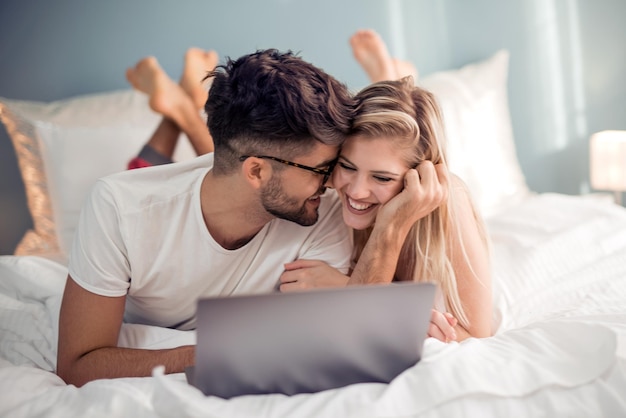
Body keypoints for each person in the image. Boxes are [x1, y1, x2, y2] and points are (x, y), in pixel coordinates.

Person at [56, 49, 357, 387]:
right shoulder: (119, 208)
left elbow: (330, 338)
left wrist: (394, 223)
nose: (335, 182)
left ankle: (181, 110)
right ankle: (180, 111)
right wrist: (207, 353)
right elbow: (77, 364)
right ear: (256, 170)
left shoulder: (322, 208)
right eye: (322, 170)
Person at [278, 31, 493, 342]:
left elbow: (476, 334)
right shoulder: (322, 188)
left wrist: (343, 287)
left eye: (382, 178)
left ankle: (395, 78)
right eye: (347, 166)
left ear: (418, 177)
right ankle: (393, 79)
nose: (356, 191)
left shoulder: (450, 200)